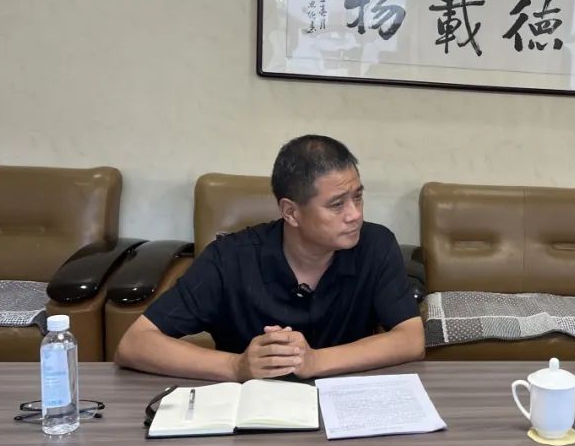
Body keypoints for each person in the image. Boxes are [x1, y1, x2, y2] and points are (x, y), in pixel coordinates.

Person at [114, 135, 424, 381]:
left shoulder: (375, 245)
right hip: (252, 415)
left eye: (357, 196)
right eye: (336, 205)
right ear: (291, 212)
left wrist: (316, 360)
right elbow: (135, 343)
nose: (355, 214)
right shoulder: (230, 259)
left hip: (346, 408)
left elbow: (410, 337)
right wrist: (236, 367)